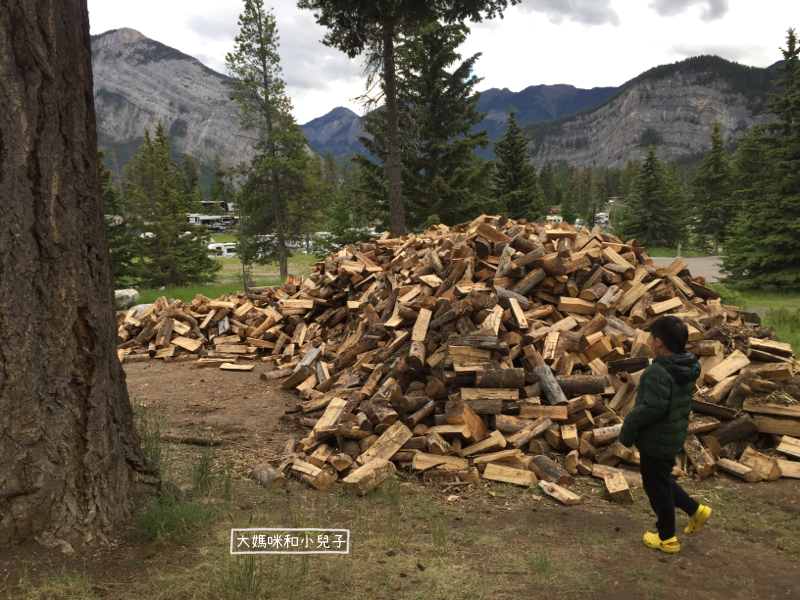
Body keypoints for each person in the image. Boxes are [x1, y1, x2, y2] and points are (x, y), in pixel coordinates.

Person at [619, 315, 711, 553]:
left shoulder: (657, 372)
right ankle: (695, 510)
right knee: (660, 479)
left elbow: (652, 408)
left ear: (658, 341)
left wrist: (628, 428)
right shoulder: (686, 366)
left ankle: (666, 537)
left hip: (656, 439)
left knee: (656, 487)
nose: (648, 340)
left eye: (650, 336)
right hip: (673, 434)